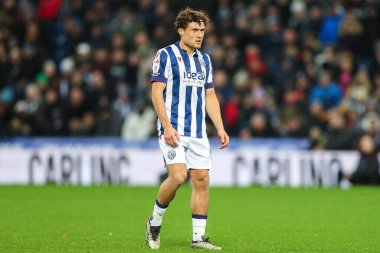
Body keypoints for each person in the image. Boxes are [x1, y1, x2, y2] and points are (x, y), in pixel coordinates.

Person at [146, 7, 229, 250]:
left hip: (198, 131)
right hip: (173, 129)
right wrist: (168, 127)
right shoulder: (165, 55)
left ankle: (198, 238)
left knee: (202, 179)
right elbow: (156, 94)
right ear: (181, 30)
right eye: (194, 30)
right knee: (179, 176)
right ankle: (154, 222)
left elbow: (210, 96)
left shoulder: (205, 59)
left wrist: (221, 128)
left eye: (202, 30)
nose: (199, 35)